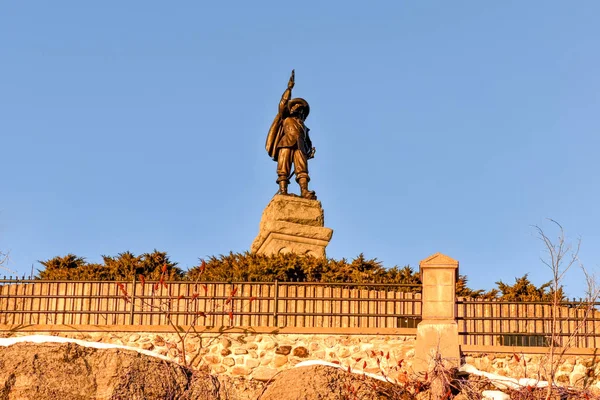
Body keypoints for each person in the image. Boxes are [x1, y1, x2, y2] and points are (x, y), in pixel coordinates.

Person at [265, 70, 317, 199]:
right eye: (294, 106)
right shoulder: (285, 118)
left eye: (299, 107)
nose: (296, 108)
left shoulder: (304, 127)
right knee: (283, 168)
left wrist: (309, 150)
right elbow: (282, 104)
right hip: (286, 143)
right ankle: (283, 191)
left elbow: (307, 140)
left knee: (302, 170)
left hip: (300, 147)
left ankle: (304, 191)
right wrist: (289, 89)